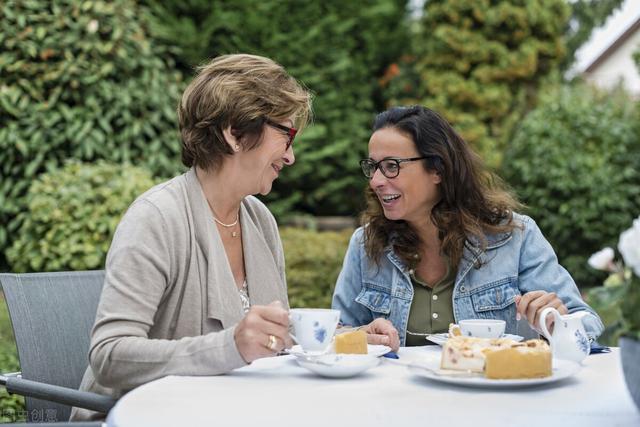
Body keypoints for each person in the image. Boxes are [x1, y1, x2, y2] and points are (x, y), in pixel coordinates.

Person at [71, 54, 312, 420]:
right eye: (286, 134)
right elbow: (109, 354)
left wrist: (347, 337)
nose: (291, 156)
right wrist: (228, 346)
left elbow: (270, 337)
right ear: (234, 133)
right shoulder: (156, 218)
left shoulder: (260, 220)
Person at [332, 105, 604, 347]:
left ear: (437, 169)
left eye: (391, 166)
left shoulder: (514, 236)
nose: (376, 181)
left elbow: (589, 326)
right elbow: (335, 334)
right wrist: (359, 336)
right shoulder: (365, 244)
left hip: (491, 399)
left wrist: (559, 323)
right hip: (396, 401)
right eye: (373, 167)